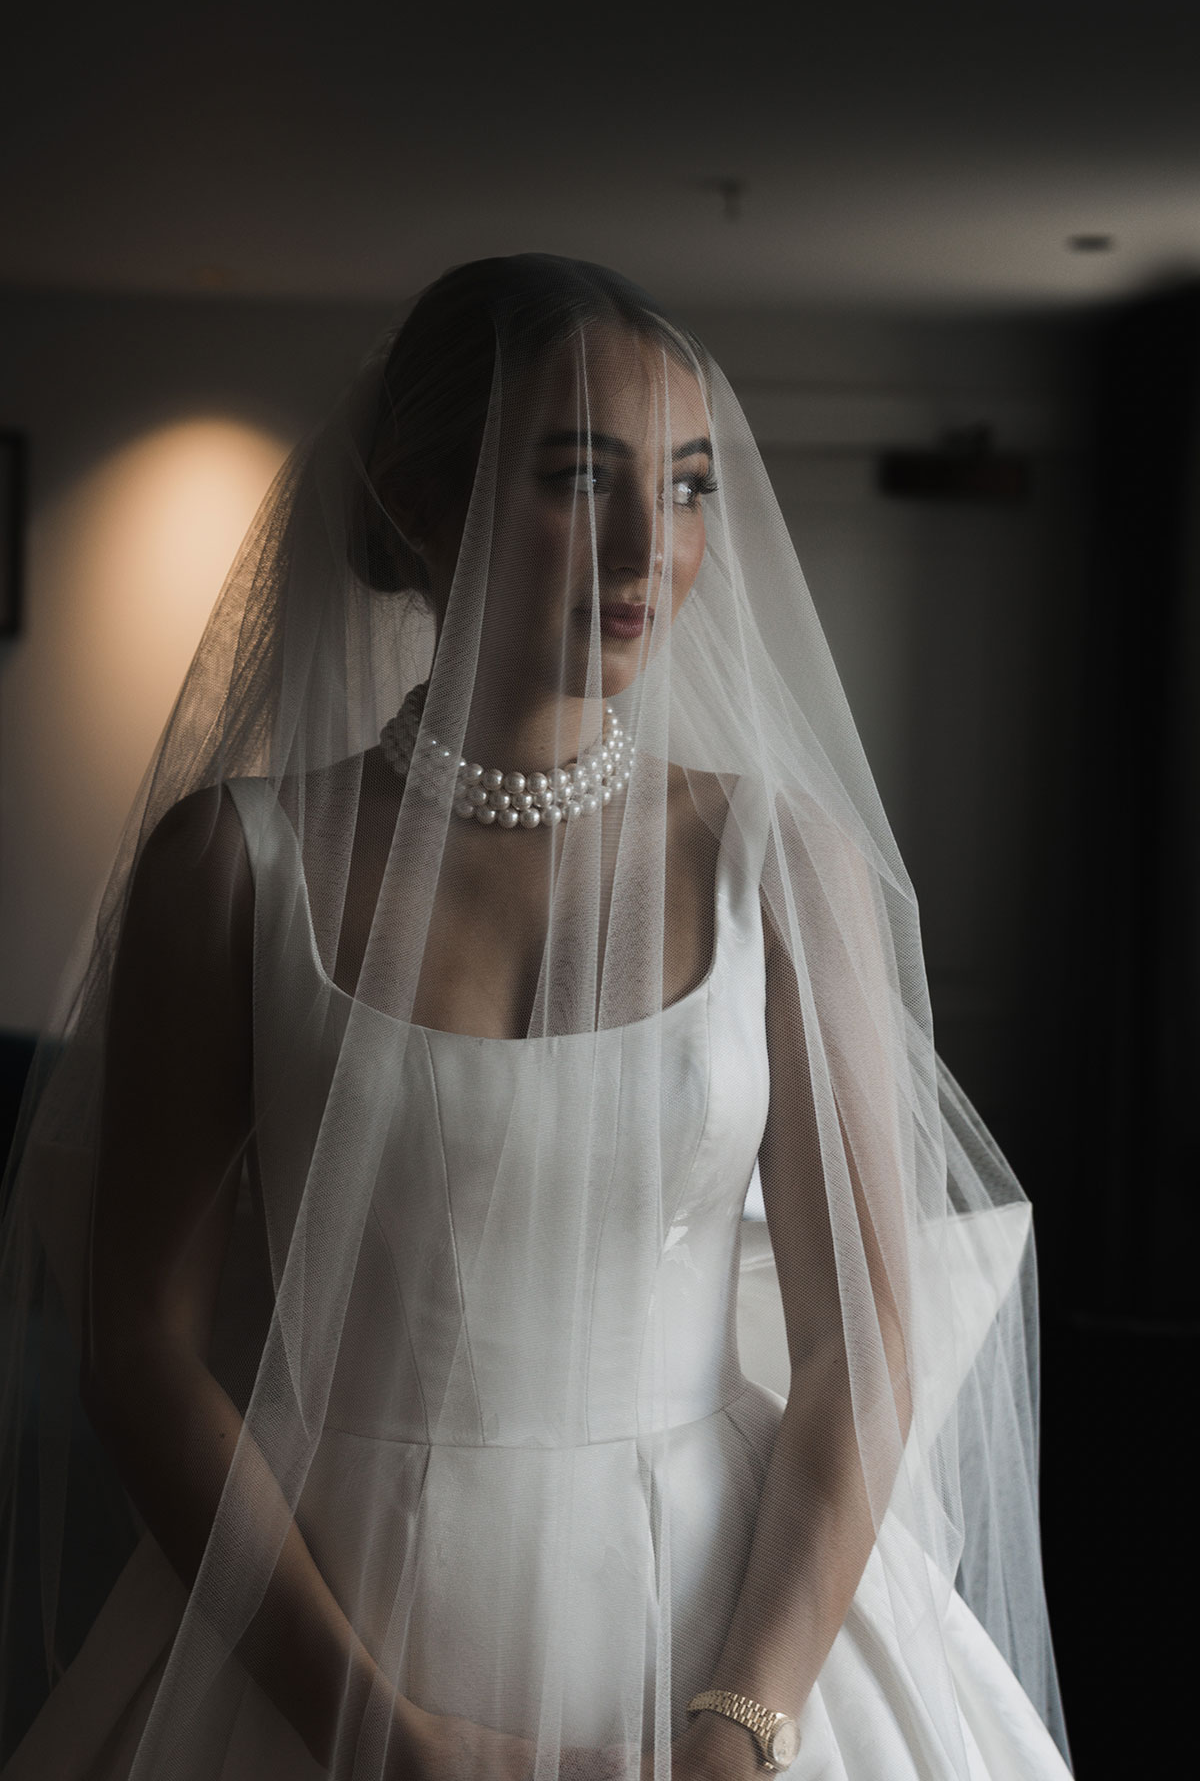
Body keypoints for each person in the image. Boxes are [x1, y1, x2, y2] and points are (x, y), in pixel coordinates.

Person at [0, 255, 1072, 1780]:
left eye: (691, 489)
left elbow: (868, 1354)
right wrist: (372, 1729)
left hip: (729, 1632)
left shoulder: (778, 865)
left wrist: (743, 1722)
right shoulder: (232, 868)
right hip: (324, 1617)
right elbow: (139, 1352)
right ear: (419, 499)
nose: (653, 547)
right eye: (584, 476)